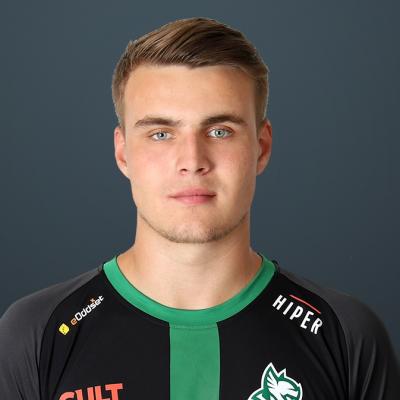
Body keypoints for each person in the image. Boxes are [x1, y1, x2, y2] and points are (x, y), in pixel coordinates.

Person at [0, 16, 399, 400]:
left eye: (220, 131)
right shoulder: (37, 333)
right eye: (161, 134)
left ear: (261, 147)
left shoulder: (345, 336)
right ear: (123, 153)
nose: (192, 161)